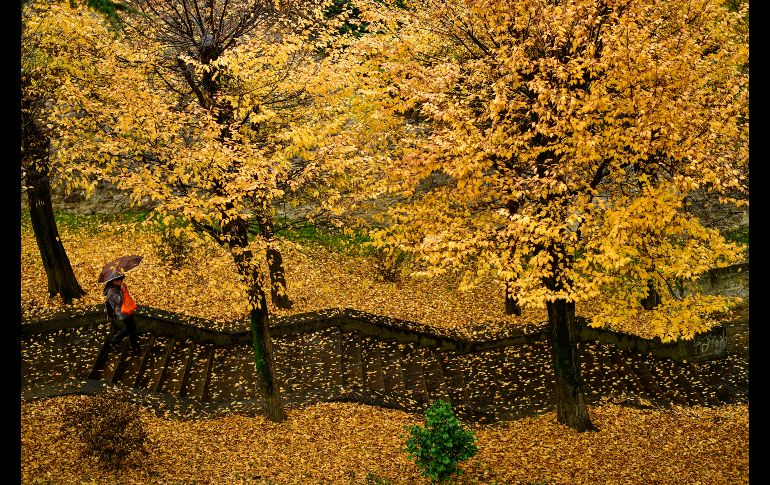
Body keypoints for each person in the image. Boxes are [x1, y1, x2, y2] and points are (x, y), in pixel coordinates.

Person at [103, 274, 141, 351]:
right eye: (118, 280)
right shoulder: (110, 291)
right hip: (121, 312)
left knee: (131, 326)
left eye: (121, 279)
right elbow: (119, 300)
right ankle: (116, 340)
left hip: (126, 310)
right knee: (130, 327)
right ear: (112, 281)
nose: (120, 281)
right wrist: (122, 290)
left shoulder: (117, 287)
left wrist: (123, 288)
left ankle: (135, 344)